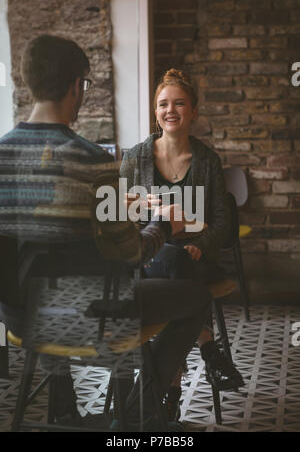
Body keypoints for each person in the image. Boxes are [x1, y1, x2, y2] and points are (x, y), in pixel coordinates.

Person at [0, 36, 211, 432]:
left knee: (45, 281)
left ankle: (64, 410)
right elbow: (133, 253)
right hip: (91, 320)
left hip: (17, 316)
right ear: (76, 85)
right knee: (195, 296)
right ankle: (136, 414)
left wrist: (118, 205)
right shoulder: (93, 161)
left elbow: (42, 229)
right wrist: (166, 224)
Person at [120, 68, 244, 421]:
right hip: (149, 255)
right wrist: (149, 214)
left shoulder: (207, 161)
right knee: (173, 259)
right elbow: (120, 211)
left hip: (195, 256)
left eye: (178, 103)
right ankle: (208, 347)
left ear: (193, 111)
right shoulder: (136, 157)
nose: (170, 110)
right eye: (163, 104)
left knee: (179, 261)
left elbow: (221, 222)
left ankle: (165, 393)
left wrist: (202, 244)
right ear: (155, 112)